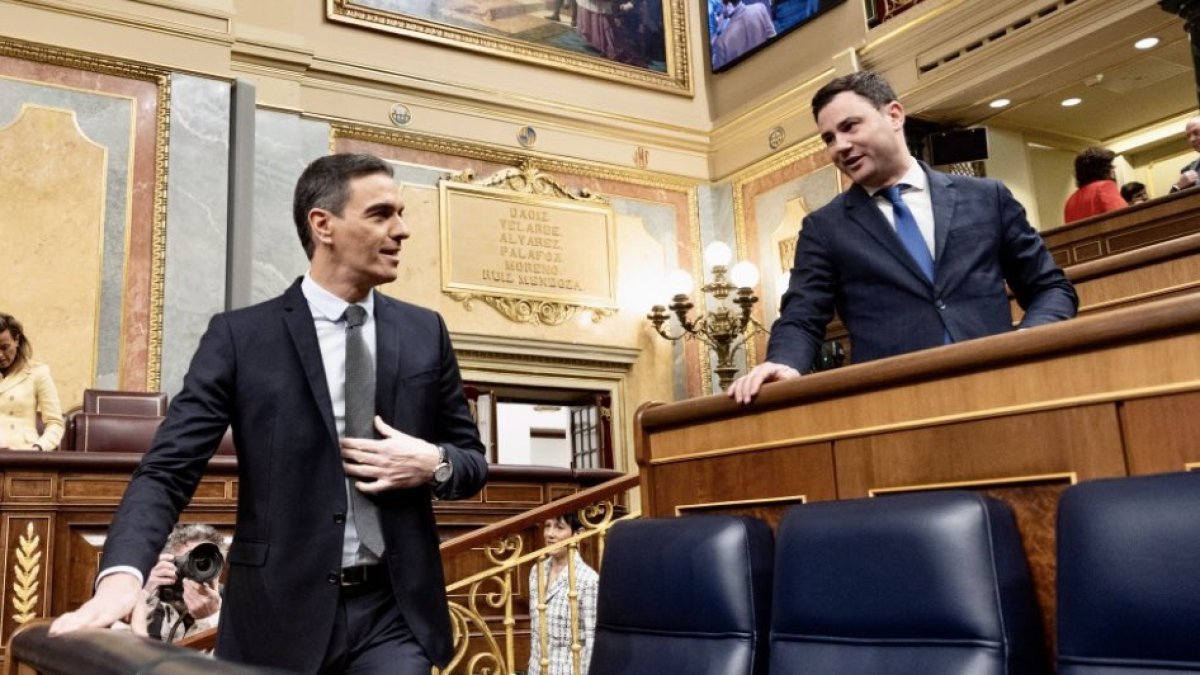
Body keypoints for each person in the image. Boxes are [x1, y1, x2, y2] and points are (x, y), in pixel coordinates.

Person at [50, 153, 489, 674]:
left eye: (401, 213)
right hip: (279, 615)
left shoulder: (425, 332)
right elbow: (168, 470)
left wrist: (433, 462)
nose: (403, 230)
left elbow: (471, 462)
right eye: (381, 214)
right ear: (322, 224)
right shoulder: (241, 338)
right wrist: (121, 578)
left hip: (394, 614)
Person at [729, 71, 1077, 404]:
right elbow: (802, 316)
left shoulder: (987, 197)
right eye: (829, 138)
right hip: (893, 404)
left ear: (894, 115)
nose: (840, 146)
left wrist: (1028, 340)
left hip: (1003, 388)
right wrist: (785, 362)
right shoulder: (824, 228)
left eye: (850, 126)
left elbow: (1051, 289)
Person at [528, 513, 598, 675]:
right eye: (547, 526)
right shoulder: (536, 571)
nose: (550, 534)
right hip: (537, 668)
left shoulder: (588, 580)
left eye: (559, 528)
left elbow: (592, 641)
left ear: (578, 534)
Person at [134, 523, 225, 644]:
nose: (197, 571)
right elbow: (125, 651)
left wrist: (210, 619)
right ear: (169, 563)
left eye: (206, 564)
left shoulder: (235, 607)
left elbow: (232, 660)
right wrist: (144, 594)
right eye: (189, 561)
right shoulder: (155, 600)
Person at [0, 313, 64, 451]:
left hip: (24, 454)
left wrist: (39, 448)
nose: (0, 355)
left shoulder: (38, 372)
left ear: (16, 340)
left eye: (5, 347)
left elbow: (55, 423)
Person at [1063, 147, 1127, 223]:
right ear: (1104, 169)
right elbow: (1123, 219)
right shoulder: (1105, 187)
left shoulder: (1070, 201)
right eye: (1110, 167)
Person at [711, 0, 776, 70]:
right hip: (769, 66)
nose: (720, 10)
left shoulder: (722, 42)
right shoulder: (760, 8)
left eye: (721, 5)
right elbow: (773, 38)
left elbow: (719, 72)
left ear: (729, 4)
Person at [1171, 116, 1200, 192]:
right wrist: (1177, 186)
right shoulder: (1187, 170)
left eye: (1196, 133)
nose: (1192, 139)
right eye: (1188, 136)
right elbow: (1173, 202)